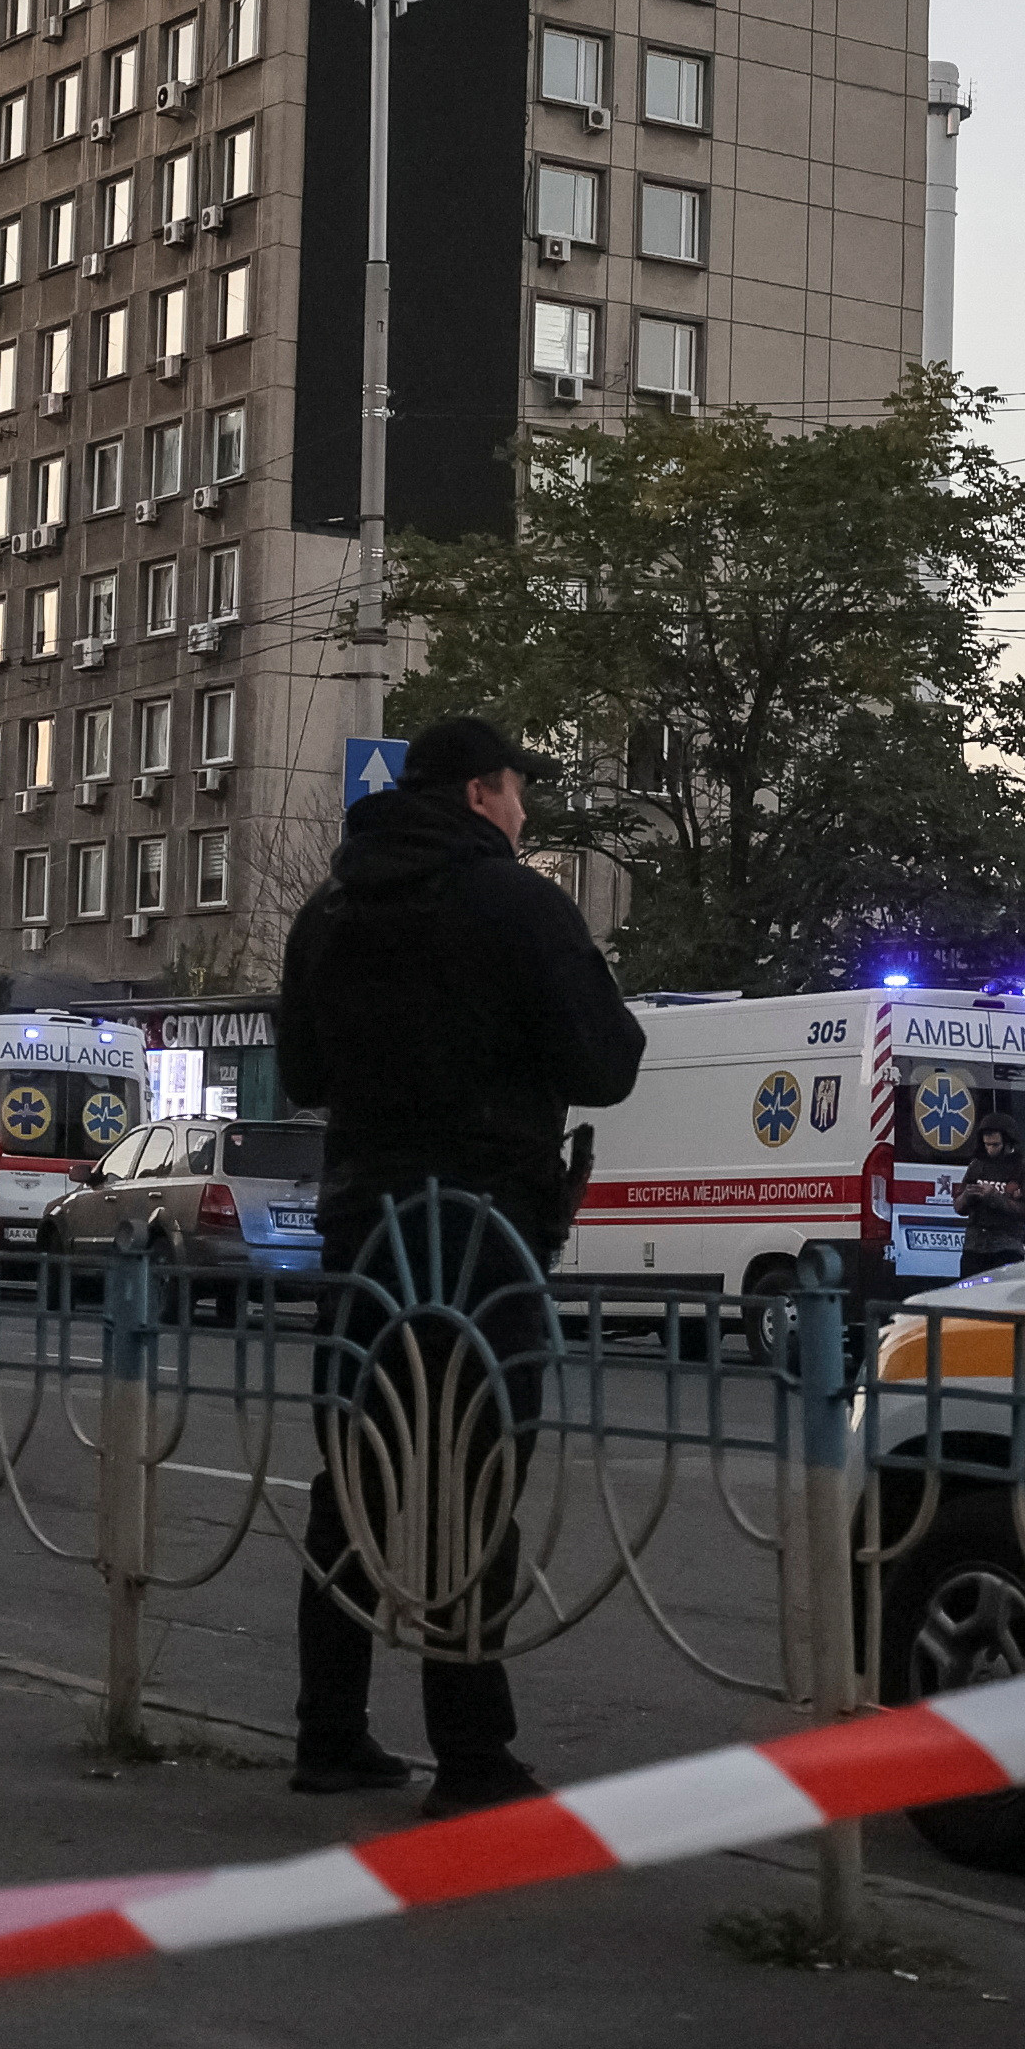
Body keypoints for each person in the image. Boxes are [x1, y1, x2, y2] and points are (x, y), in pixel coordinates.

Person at [271, 714, 645, 1814]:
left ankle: (329, 1732)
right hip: (483, 1229)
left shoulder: (330, 910)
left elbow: (301, 1068)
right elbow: (606, 1062)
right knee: (475, 1473)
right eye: (519, 790)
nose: (525, 810)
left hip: (364, 1227)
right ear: (486, 792)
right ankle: (472, 1757)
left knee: (357, 1470)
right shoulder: (517, 902)